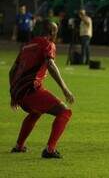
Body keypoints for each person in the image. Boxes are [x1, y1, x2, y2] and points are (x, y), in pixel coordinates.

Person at [9, 20, 75, 158]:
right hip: (32, 90)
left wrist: (13, 95)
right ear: (52, 32)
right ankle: (50, 150)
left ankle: (19, 146)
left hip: (19, 93)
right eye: (56, 31)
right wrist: (65, 89)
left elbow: (12, 71)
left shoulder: (26, 46)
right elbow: (50, 64)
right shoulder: (48, 44)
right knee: (64, 111)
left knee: (36, 112)